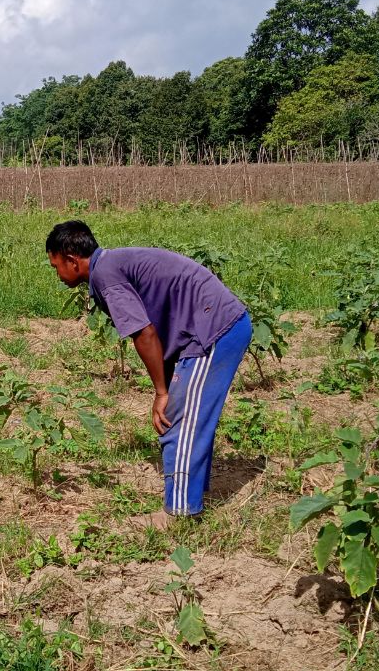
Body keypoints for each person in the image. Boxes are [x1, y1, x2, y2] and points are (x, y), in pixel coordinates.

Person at [46, 220, 251, 527]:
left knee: (179, 421)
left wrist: (162, 392)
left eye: (55, 266)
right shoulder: (112, 265)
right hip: (211, 327)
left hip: (215, 331)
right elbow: (158, 335)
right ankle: (191, 494)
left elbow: (144, 333)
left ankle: (180, 514)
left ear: (73, 261)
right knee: (182, 413)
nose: (57, 274)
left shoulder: (106, 275)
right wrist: (166, 386)